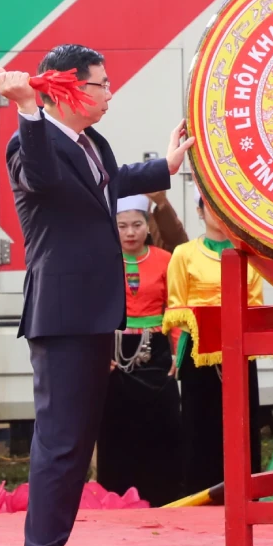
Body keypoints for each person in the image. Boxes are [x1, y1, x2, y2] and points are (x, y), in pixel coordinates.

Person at [0, 44, 193, 546]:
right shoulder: (29, 142)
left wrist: (166, 165)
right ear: (70, 88)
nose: (110, 93)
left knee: (79, 440)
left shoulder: (92, 143)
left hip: (93, 312)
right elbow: (42, 180)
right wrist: (27, 108)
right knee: (59, 439)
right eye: (101, 84)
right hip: (61, 312)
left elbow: (112, 179)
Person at [164, 188, 264, 495]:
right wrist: (178, 352)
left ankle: (246, 491)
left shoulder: (247, 253)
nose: (217, 215)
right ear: (199, 211)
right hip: (199, 349)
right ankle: (199, 491)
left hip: (240, 347)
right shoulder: (184, 254)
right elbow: (176, 307)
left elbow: (255, 304)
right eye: (210, 207)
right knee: (199, 421)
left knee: (243, 420)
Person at [94, 195, 183, 508]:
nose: (130, 232)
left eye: (136, 225)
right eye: (122, 226)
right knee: (115, 425)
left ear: (148, 226)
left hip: (156, 350)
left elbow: (175, 308)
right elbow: (94, 310)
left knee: (162, 423)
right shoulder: (103, 259)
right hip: (115, 351)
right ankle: (116, 497)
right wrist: (98, 353)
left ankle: (164, 496)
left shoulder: (166, 259)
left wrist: (177, 352)